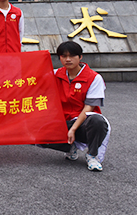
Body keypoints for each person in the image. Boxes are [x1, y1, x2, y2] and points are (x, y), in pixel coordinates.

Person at [41, 41, 111, 171]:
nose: (68, 59)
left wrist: (73, 129)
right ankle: (69, 147)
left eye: (72, 56)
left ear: (80, 57)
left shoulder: (94, 78)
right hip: (62, 121)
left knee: (98, 121)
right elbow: (31, 80)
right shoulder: (54, 74)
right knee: (34, 129)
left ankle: (92, 155)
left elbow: (89, 108)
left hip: (84, 123)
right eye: (64, 56)